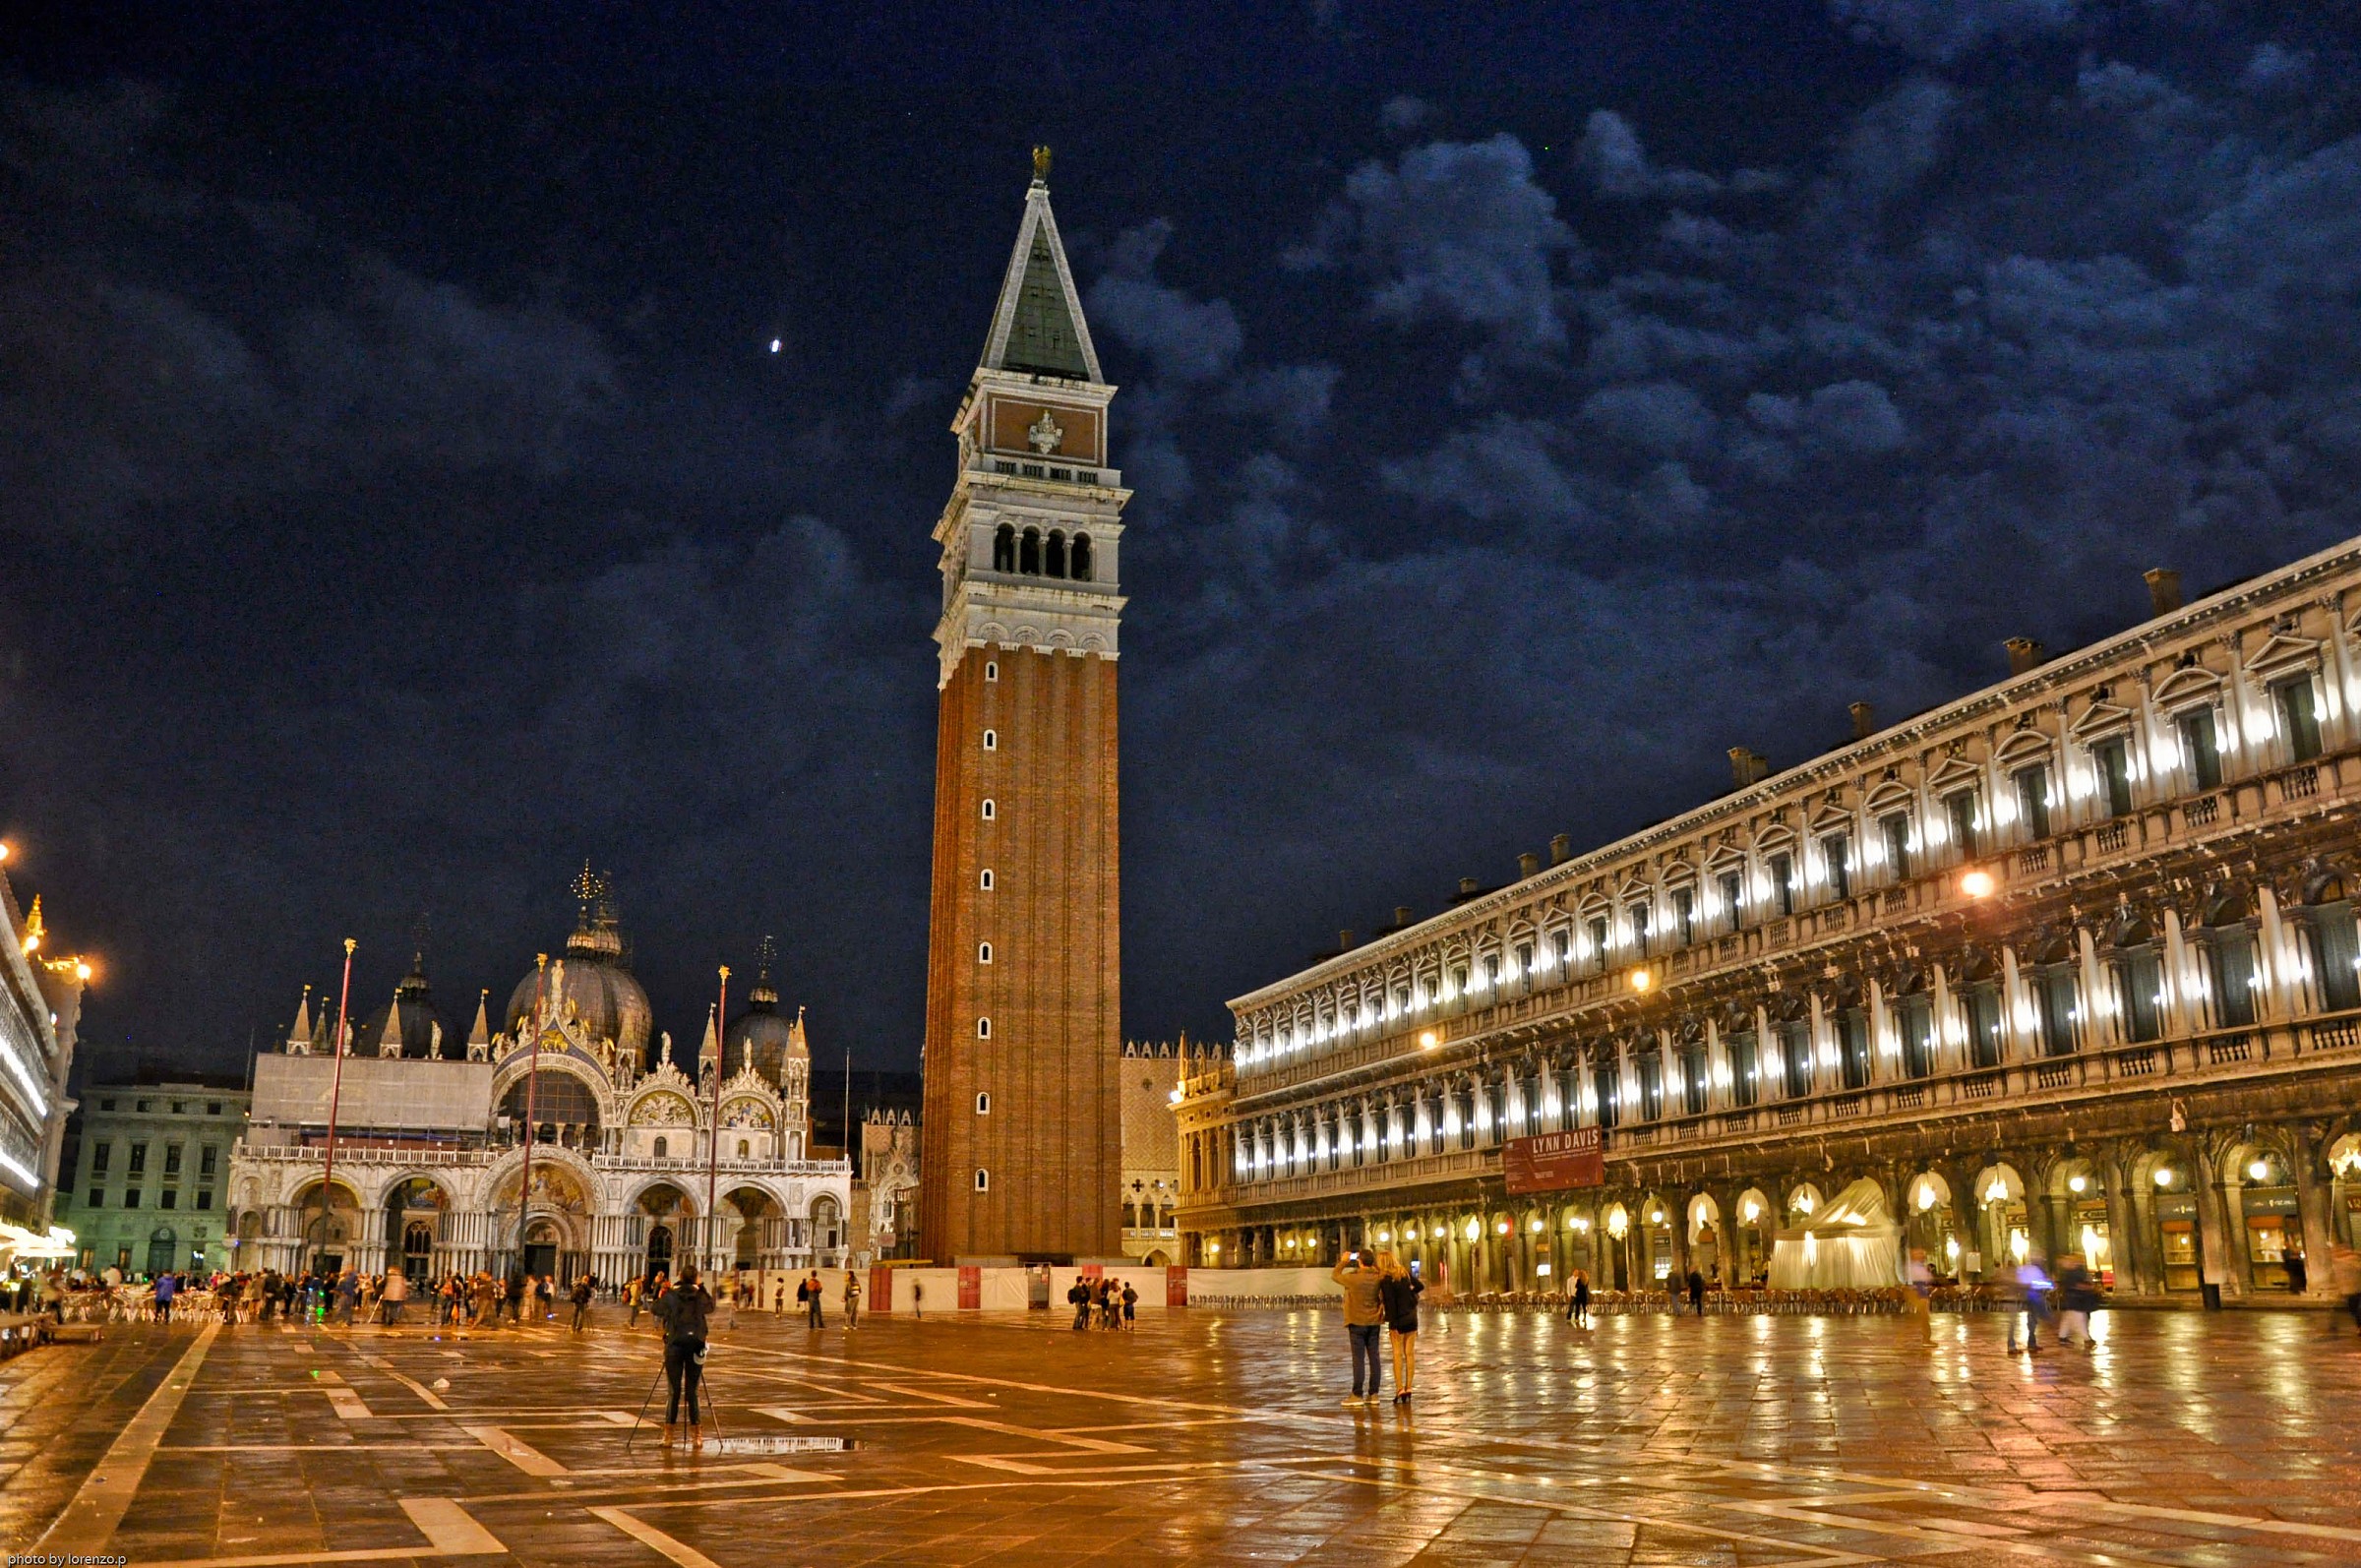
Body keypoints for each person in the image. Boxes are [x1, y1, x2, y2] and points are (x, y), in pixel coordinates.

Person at [652, 1262, 715, 1448]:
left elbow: (655, 1308)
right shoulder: (699, 1295)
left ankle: (668, 1436)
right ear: (696, 1277)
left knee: (674, 1391)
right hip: (697, 1347)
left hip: (675, 1347)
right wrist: (701, 1286)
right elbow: (710, 1306)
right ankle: (697, 1437)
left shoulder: (672, 1296)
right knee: (693, 1391)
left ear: (680, 1276)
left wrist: (662, 1288)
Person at [1332, 1248, 1386, 1405]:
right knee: (1374, 1357)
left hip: (1356, 1322)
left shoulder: (1353, 1278)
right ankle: (1374, 1394)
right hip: (1374, 1321)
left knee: (1358, 1359)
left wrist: (1344, 1261)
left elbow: (1335, 1275)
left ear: (1360, 1262)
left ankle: (1357, 1394)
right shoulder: (1378, 1277)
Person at [1378, 1253, 1423, 1404]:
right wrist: (1409, 1296)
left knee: (1397, 1355)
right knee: (1409, 1354)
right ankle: (1409, 1387)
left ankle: (1399, 1389)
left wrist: (1391, 1322)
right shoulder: (1404, 1273)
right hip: (1411, 1317)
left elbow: (1390, 1303)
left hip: (1398, 1319)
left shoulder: (1386, 1280)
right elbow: (1420, 1286)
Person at [2007, 1254, 2052, 1355]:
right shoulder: (2028, 1269)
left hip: (2025, 1296)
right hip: (2025, 1296)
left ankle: (2031, 1343)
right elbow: (2027, 1283)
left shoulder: (2026, 1269)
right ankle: (2014, 1345)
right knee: (2018, 1322)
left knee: (2031, 1320)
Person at [2054, 1253, 2098, 1348]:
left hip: (2075, 1298)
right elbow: (2075, 1284)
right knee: (2080, 1319)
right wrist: (2089, 1287)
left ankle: (2062, 1337)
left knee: (2068, 1319)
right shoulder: (2072, 1272)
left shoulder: (2071, 1271)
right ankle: (2087, 1339)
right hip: (2076, 1299)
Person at [1904, 1248, 1934, 1343]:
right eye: (1920, 1254)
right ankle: (1924, 1339)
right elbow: (1922, 1279)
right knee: (1922, 1317)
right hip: (1918, 1292)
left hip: (1922, 1292)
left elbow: (1928, 1279)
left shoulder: (1921, 1266)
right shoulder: (1914, 1267)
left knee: (1925, 1318)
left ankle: (1926, 1339)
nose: (1923, 1256)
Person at [2331, 1243, 2361, 1334]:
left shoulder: (2350, 1260)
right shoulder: (2339, 1261)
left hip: (2355, 1289)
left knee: (2357, 1309)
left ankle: (2359, 1326)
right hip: (2351, 1290)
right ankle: (2359, 1326)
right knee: (2354, 1309)